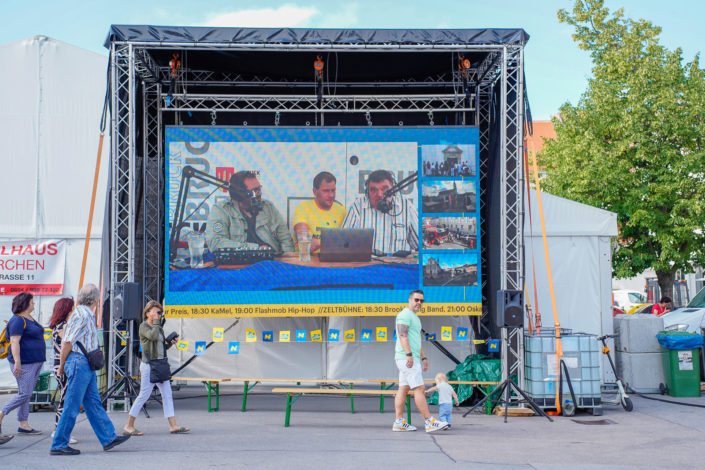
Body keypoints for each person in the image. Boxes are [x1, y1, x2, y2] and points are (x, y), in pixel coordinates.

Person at [51, 284, 131, 456]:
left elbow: (67, 341)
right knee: (72, 405)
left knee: (93, 403)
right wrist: (62, 366)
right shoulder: (83, 316)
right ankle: (58, 444)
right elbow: (67, 342)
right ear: (96, 299)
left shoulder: (81, 313)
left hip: (82, 363)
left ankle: (108, 438)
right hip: (80, 362)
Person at [123, 301, 189, 436]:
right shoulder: (144, 326)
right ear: (147, 313)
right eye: (155, 312)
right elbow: (152, 337)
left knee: (167, 394)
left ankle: (173, 425)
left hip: (160, 364)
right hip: (149, 366)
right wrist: (156, 323)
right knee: (144, 395)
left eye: (159, 312)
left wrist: (169, 344)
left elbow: (161, 347)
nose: (158, 315)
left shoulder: (159, 328)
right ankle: (129, 425)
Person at [392, 290, 448, 433]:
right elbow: (402, 335)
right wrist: (409, 354)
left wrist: (423, 357)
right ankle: (429, 421)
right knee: (419, 388)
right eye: (416, 300)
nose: (419, 303)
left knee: (403, 389)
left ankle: (398, 422)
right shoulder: (405, 315)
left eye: (421, 301)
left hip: (410, 358)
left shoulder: (415, 317)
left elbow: (416, 340)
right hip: (407, 358)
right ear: (409, 300)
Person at [206, 170, 294, 253]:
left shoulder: (268, 207)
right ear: (239, 194)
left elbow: (285, 239)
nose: (259, 193)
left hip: (270, 263)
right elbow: (215, 242)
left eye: (259, 189)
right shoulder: (222, 209)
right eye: (254, 190)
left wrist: (286, 263)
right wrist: (256, 249)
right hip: (237, 266)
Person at [0, 292, 46, 439]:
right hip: (25, 362)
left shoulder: (29, 318)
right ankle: (1, 414)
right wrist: (17, 362)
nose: (34, 304)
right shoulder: (18, 320)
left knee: (26, 394)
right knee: (24, 393)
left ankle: (23, 424)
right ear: (25, 304)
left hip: (35, 361)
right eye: (32, 302)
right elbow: (14, 342)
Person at [342, 169, 419, 254]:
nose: (379, 194)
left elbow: (421, 245)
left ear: (393, 190)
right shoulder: (358, 207)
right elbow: (343, 244)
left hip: (398, 265)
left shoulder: (406, 206)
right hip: (368, 266)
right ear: (367, 192)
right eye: (373, 190)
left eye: (384, 189)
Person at [292, 171, 346, 253]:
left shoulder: (341, 210)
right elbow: (302, 232)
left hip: (334, 259)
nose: (331, 195)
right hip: (309, 259)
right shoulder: (303, 208)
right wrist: (309, 240)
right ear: (315, 191)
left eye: (333, 190)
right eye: (326, 191)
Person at [48, 297, 78, 444]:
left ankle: (59, 430)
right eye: (72, 308)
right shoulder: (63, 326)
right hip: (63, 367)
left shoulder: (60, 325)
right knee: (65, 400)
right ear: (66, 309)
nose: (74, 310)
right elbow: (67, 344)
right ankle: (59, 431)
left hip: (61, 366)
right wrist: (62, 366)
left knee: (65, 399)